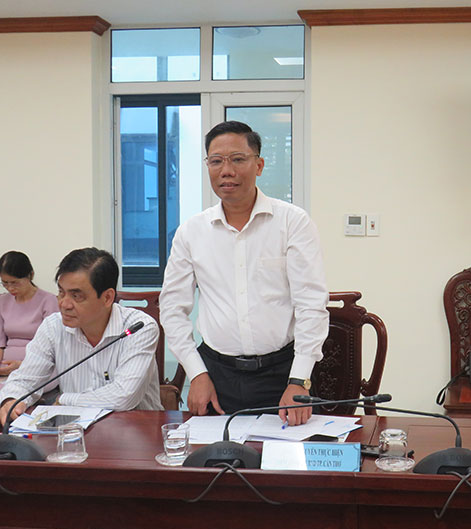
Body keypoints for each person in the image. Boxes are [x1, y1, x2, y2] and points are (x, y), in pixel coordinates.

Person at [160, 120, 328, 425]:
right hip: (216, 376)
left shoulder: (292, 222)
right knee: (211, 454)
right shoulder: (191, 232)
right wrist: (196, 373)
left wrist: (299, 380)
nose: (226, 171)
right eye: (216, 161)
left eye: (238, 159)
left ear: (259, 165)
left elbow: (311, 305)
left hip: (282, 375)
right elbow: (172, 309)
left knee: (284, 455)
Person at [0, 248, 162, 425]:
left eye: (76, 296)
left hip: (135, 429)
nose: (64, 304)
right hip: (75, 431)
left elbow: (124, 396)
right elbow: (26, 379)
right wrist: (11, 399)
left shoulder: (138, 328)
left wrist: (64, 399)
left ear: (107, 298)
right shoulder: (53, 326)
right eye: (61, 293)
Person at [0, 251, 59, 377]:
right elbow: (0, 344)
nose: (10, 288)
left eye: (15, 283)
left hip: (39, 368)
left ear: (31, 275)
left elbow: (53, 348)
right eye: (5, 283)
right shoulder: (2, 301)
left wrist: (21, 365)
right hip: (5, 367)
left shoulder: (48, 301)